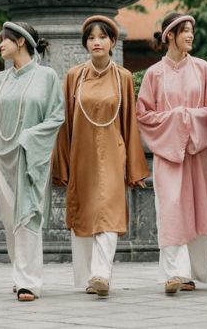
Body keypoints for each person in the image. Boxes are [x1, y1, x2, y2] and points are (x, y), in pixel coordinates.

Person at [52, 15, 149, 298]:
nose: (97, 42)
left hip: (112, 154)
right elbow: (65, 123)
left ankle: (101, 274)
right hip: (81, 155)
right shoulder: (73, 77)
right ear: (86, 44)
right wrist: (63, 164)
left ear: (112, 42)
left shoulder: (124, 78)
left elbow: (130, 124)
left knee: (108, 211)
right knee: (84, 213)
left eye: (102, 37)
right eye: (91, 38)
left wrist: (133, 167)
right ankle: (86, 276)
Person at [0, 22, 64, 302]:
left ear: (21, 42)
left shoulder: (47, 76)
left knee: (28, 218)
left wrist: (30, 137)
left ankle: (29, 282)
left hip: (31, 159)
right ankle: (19, 274)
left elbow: (56, 116)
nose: (0, 44)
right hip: (3, 159)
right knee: (12, 221)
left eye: (4, 40)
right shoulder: (0, 80)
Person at [136, 13, 207, 294]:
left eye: (191, 31)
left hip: (196, 150)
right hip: (168, 152)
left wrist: (186, 118)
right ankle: (175, 273)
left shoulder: (203, 68)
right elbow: (143, 115)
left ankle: (191, 272)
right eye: (184, 31)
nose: (190, 35)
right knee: (170, 208)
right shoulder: (153, 74)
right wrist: (177, 120)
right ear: (169, 35)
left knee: (195, 207)